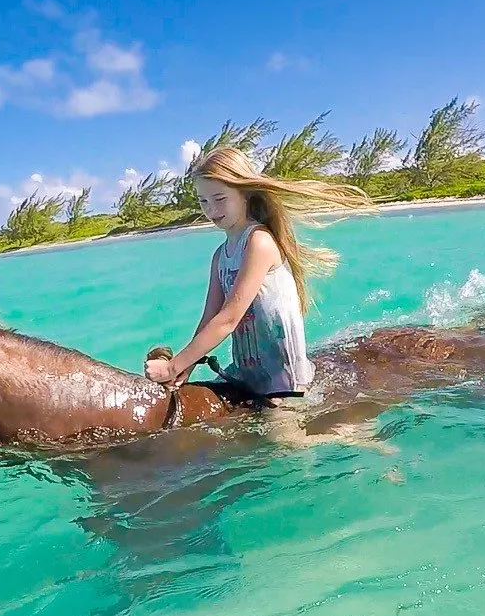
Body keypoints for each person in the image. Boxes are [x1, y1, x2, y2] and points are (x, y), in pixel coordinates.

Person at [143, 146, 372, 438]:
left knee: (284, 444)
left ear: (245, 193)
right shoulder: (220, 256)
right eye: (203, 201)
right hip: (248, 372)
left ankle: (355, 437)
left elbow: (228, 319)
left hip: (282, 378)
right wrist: (184, 369)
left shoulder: (259, 241)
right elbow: (208, 319)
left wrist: (173, 364)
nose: (211, 210)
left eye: (220, 198)